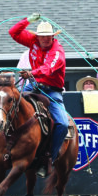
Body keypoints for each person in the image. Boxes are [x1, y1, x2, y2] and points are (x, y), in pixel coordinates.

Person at [9, 13, 70, 178]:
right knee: (9, 105)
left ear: (52, 37)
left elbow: (49, 68)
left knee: (63, 124)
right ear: (38, 36)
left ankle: (49, 157)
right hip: (33, 85)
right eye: (42, 36)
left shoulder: (57, 50)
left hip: (52, 91)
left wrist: (32, 72)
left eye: (47, 36)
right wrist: (27, 20)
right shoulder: (33, 41)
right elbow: (13, 32)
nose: (44, 39)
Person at [76, 76, 98, 196]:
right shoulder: (75, 100)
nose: (88, 85)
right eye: (86, 83)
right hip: (85, 142)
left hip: (96, 141)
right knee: (82, 174)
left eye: (91, 83)